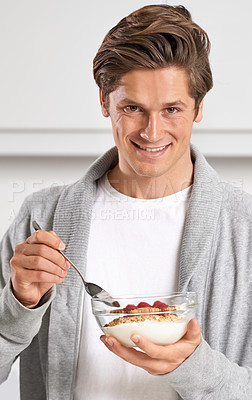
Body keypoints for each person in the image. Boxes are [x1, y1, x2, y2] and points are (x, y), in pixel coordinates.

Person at [0, 4, 251, 400]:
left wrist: (194, 368)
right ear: (104, 102)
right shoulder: (41, 219)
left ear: (199, 108)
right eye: (132, 108)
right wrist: (19, 305)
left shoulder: (245, 228)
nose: (152, 132)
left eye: (172, 109)